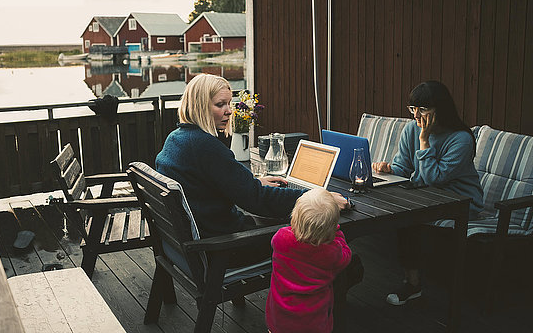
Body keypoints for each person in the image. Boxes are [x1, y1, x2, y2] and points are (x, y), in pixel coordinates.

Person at [156, 74, 351, 243]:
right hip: (224, 246)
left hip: (203, 235)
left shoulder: (176, 138)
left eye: (229, 103)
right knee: (319, 237)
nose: (229, 111)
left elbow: (204, 185)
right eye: (220, 104)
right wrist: (318, 200)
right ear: (200, 106)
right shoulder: (204, 145)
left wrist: (251, 182)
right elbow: (257, 200)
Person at [372, 80, 483, 306]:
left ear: (440, 108)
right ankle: (411, 281)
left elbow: (435, 178)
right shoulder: (411, 129)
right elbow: (403, 168)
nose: (416, 116)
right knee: (400, 210)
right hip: (427, 197)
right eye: (413, 108)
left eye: (423, 109)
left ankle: (412, 285)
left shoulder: (461, 139)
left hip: (460, 202)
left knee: (409, 218)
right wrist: (390, 168)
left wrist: (424, 140)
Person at [266, 188, 352, 333]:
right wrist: (337, 233)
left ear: (294, 218)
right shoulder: (331, 252)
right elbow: (346, 256)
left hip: (279, 317)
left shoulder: (280, 238)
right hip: (313, 321)